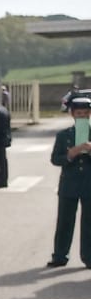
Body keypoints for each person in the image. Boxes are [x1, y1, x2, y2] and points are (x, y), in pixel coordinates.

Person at [49, 94, 91, 268]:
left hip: (89, 183)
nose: (81, 116)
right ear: (72, 114)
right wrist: (70, 154)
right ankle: (60, 255)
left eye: (85, 113)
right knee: (65, 221)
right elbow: (55, 159)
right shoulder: (64, 135)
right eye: (78, 113)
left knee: (89, 222)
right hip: (69, 183)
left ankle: (88, 257)